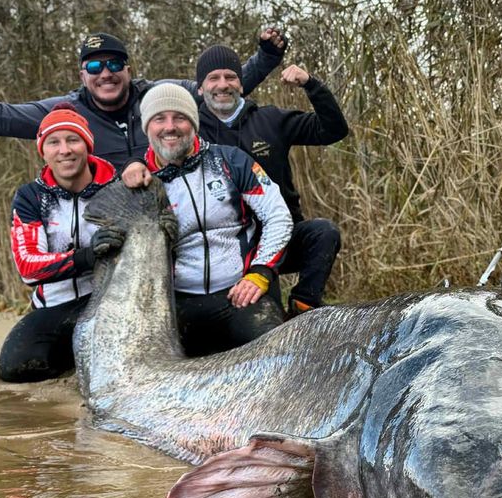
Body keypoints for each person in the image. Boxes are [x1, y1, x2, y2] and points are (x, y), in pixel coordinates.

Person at [123, 44, 347, 317]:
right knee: (260, 309)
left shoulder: (271, 119)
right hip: (229, 241)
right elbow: (156, 141)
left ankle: (304, 306)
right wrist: (133, 163)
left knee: (323, 233)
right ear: (200, 88)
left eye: (230, 77)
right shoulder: (188, 129)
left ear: (241, 84)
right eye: (213, 78)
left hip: (277, 229)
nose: (222, 85)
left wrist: (311, 85)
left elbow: (333, 130)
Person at [0, 29, 288, 170]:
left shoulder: (159, 96)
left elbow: (218, 90)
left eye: (114, 64)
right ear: (82, 74)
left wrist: (267, 56)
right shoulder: (67, 111)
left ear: (128, 68)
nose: (105, 73)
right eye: (94, 66)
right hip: (106, 225)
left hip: (171, 217)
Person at [137, 83, 293, 356]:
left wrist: (261, 272)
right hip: (176, 303)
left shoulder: (230, 160)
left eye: (180, 118)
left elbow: (278, 216)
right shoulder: (138, 181)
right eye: (159, 118)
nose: (170, 127)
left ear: (194, 123)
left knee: (276, 353)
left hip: (238, 294)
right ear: (147, 127)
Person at [0, 104, 125, 382]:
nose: (64, 150)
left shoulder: (117, 187)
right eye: (53, 142)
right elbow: (27, 267)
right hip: (55, 307)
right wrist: (87, 257)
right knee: (15, 367)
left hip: (110, 304)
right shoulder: (30, 197)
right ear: (43, 151)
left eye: (73, 140)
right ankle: (72, 362)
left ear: (87, 145)